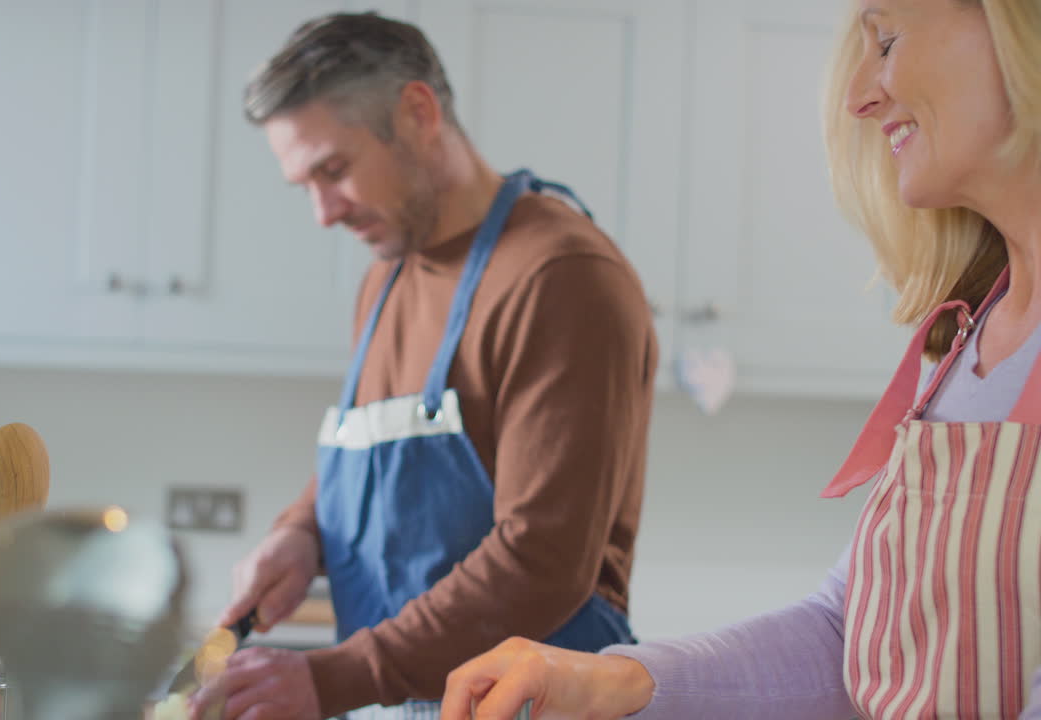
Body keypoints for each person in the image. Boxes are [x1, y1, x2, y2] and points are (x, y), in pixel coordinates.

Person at [438, 0, 1041, 718]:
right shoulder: (966, 340)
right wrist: (608, 680)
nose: (858, 98)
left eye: (886, 41)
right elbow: (846, 634)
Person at [182, 11, 658, 720]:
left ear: (417, 113)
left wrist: (334, 678)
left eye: (334, 170)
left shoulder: (560, 276)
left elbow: (543, 558)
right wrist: (299, 534)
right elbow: (382, 456)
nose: (322, 213)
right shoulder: (387, 277)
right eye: (304, 185)